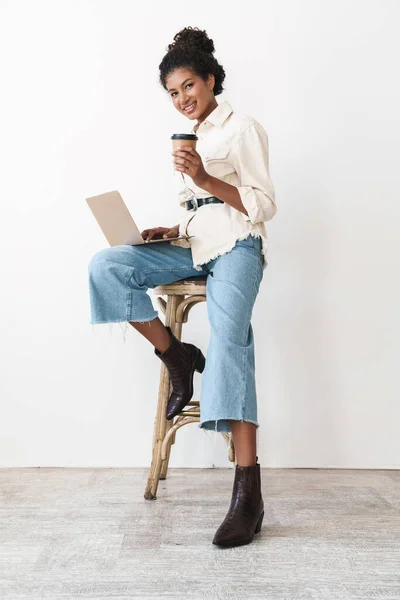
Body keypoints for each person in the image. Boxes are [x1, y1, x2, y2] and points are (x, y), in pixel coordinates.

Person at [88, 26, 277, 547]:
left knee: (231, 334)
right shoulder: (190, 138)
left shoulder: (243, 129)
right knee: (107, 265)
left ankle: (247, 494)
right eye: (173, 93)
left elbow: (262, 205)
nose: (182, 100)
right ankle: (175, 354)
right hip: (194, 243)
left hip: (238, 245)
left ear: (211, 80)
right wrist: (173, 229)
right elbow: (201, 208)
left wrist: (205, 180)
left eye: (189, 87)